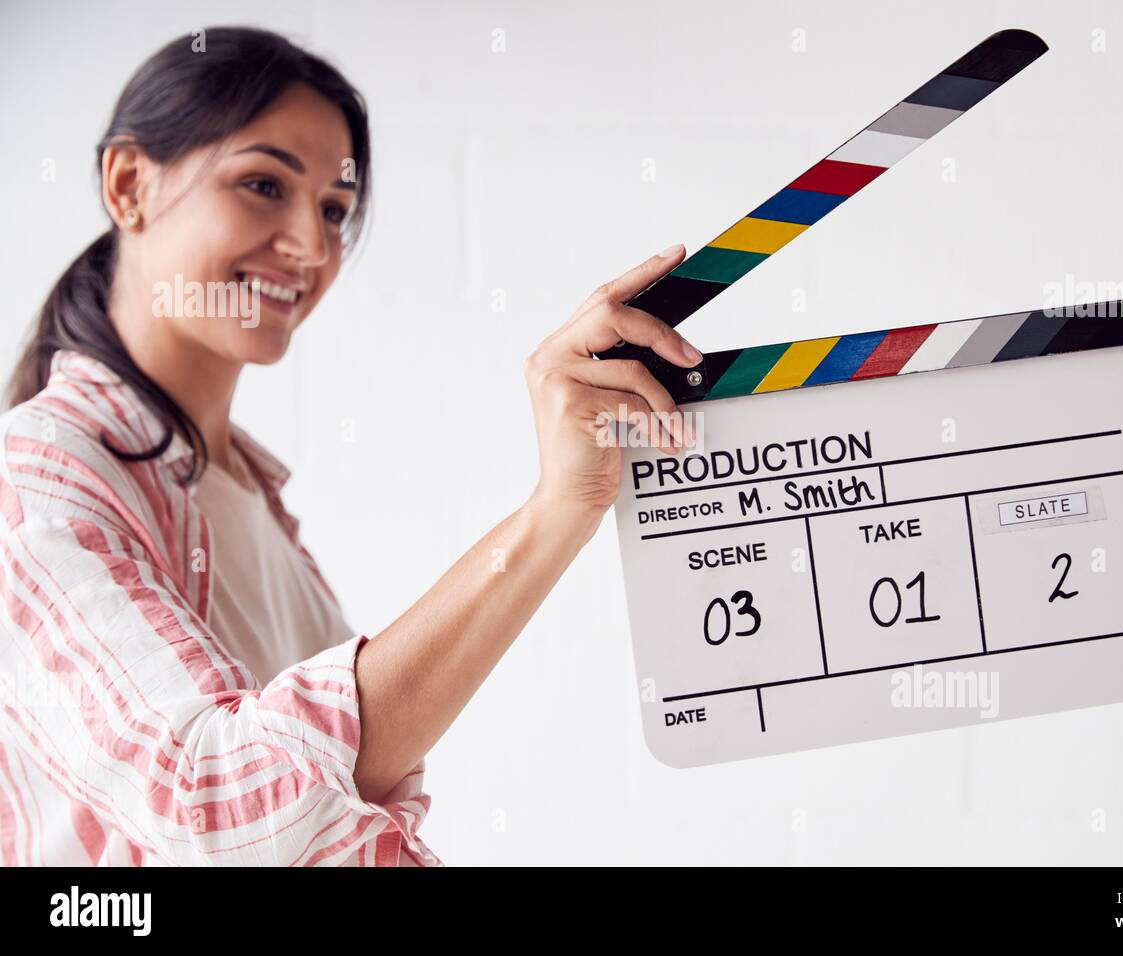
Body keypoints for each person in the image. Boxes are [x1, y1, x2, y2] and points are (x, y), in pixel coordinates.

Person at [0, 26, 701, 866]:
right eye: (264, 184)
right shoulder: (38, 479)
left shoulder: (247, 494)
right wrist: (556, 511)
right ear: (129, 183)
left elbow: (333, 810)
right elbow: (216, 804)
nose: (311, 246)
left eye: (334, 209)